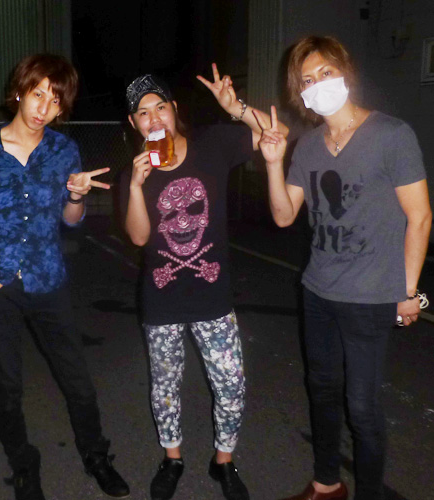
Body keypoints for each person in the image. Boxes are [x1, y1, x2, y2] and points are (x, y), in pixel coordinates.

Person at [255, 36, 431, 500]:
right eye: (307, 80)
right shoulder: (308, 146)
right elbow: (283, 216)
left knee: (363, 408)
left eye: (326, 73)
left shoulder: (392, 135)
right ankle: (327, 484)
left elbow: (419, 217)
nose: (318, 84)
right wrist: (273, 163)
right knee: (322, 391)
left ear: (345, 73)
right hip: (318, 291)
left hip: (370, 297)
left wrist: (408, 290)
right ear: (300, 93)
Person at [0, 53, 129, 500]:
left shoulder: (63, 150)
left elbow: (71, 221)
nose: (43, 107)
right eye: (38, 94)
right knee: (7, 385)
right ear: (20, 91)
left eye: (55, 100)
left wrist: (76, 196)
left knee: (77, 379)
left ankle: (96, 456)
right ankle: (23, 464)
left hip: (49, 280)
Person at [120, 70, 288, 500]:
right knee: (165, 389)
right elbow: (138, 237)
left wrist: (236, 109)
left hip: (214, 297)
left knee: (231, 385)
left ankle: (223, 461)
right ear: (134, 123)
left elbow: (277, 134)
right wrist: (137, 188)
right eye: (143, 113)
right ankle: (172, 458)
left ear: (174, 110)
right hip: (161, 302)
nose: (154, 118)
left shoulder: (213, 145)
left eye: (160, 107)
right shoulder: (135, 172)